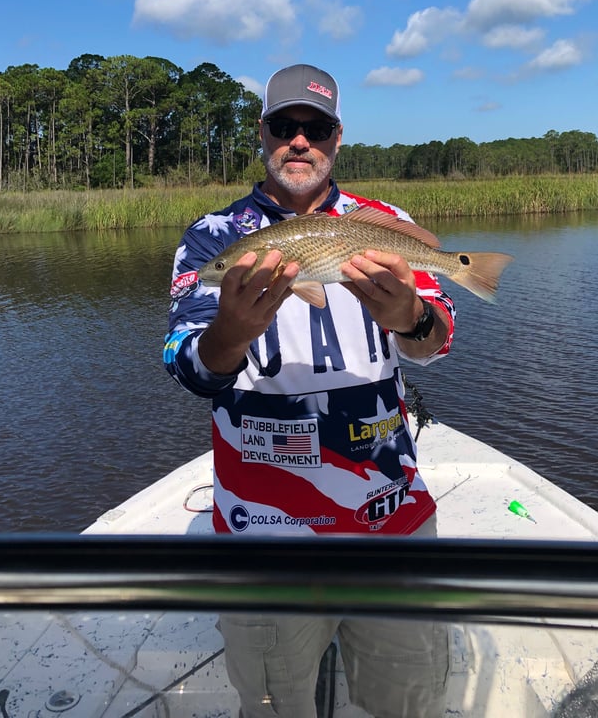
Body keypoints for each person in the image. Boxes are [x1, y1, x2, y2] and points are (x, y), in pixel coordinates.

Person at [164, 63, 456, 718]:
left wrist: (410, 317)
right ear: (262, 134)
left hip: (392, 519)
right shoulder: (211, 238)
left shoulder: (386, 222)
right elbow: (185, 366)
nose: (300, 140)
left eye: (315, 127)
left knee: (409, 703)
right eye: (285, 126)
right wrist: (229, 335)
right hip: (265, 536)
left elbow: (437, 344)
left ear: (337, 136)